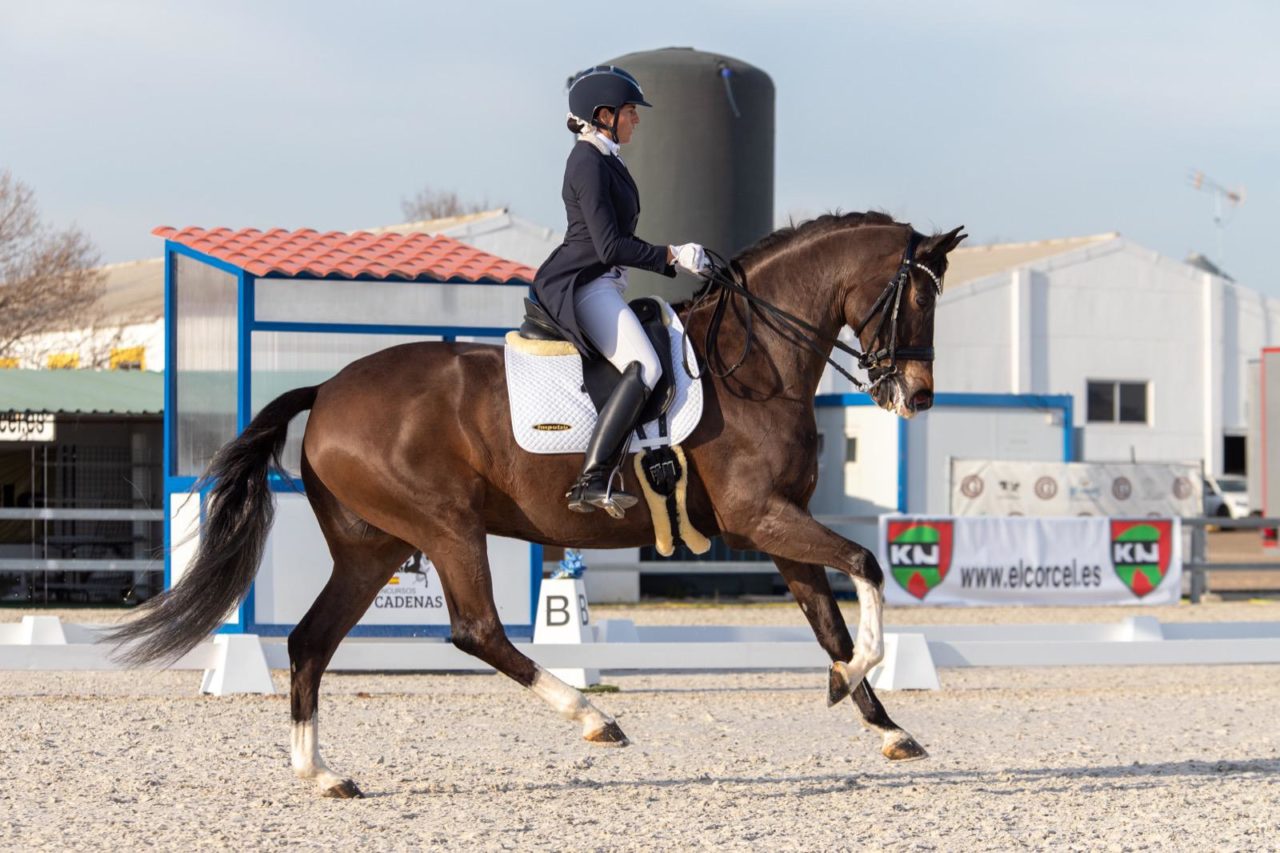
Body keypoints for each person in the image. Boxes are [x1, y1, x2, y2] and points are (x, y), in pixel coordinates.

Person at [533, 65, 709, 518]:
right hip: (583, 283)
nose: (636, 119)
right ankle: (592, 479)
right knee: (645, 364)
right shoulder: (587, 160)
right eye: (631, 112)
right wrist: (671, 255)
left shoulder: (606, 156)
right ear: (604, 114)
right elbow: (608, 244)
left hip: (605, 279)